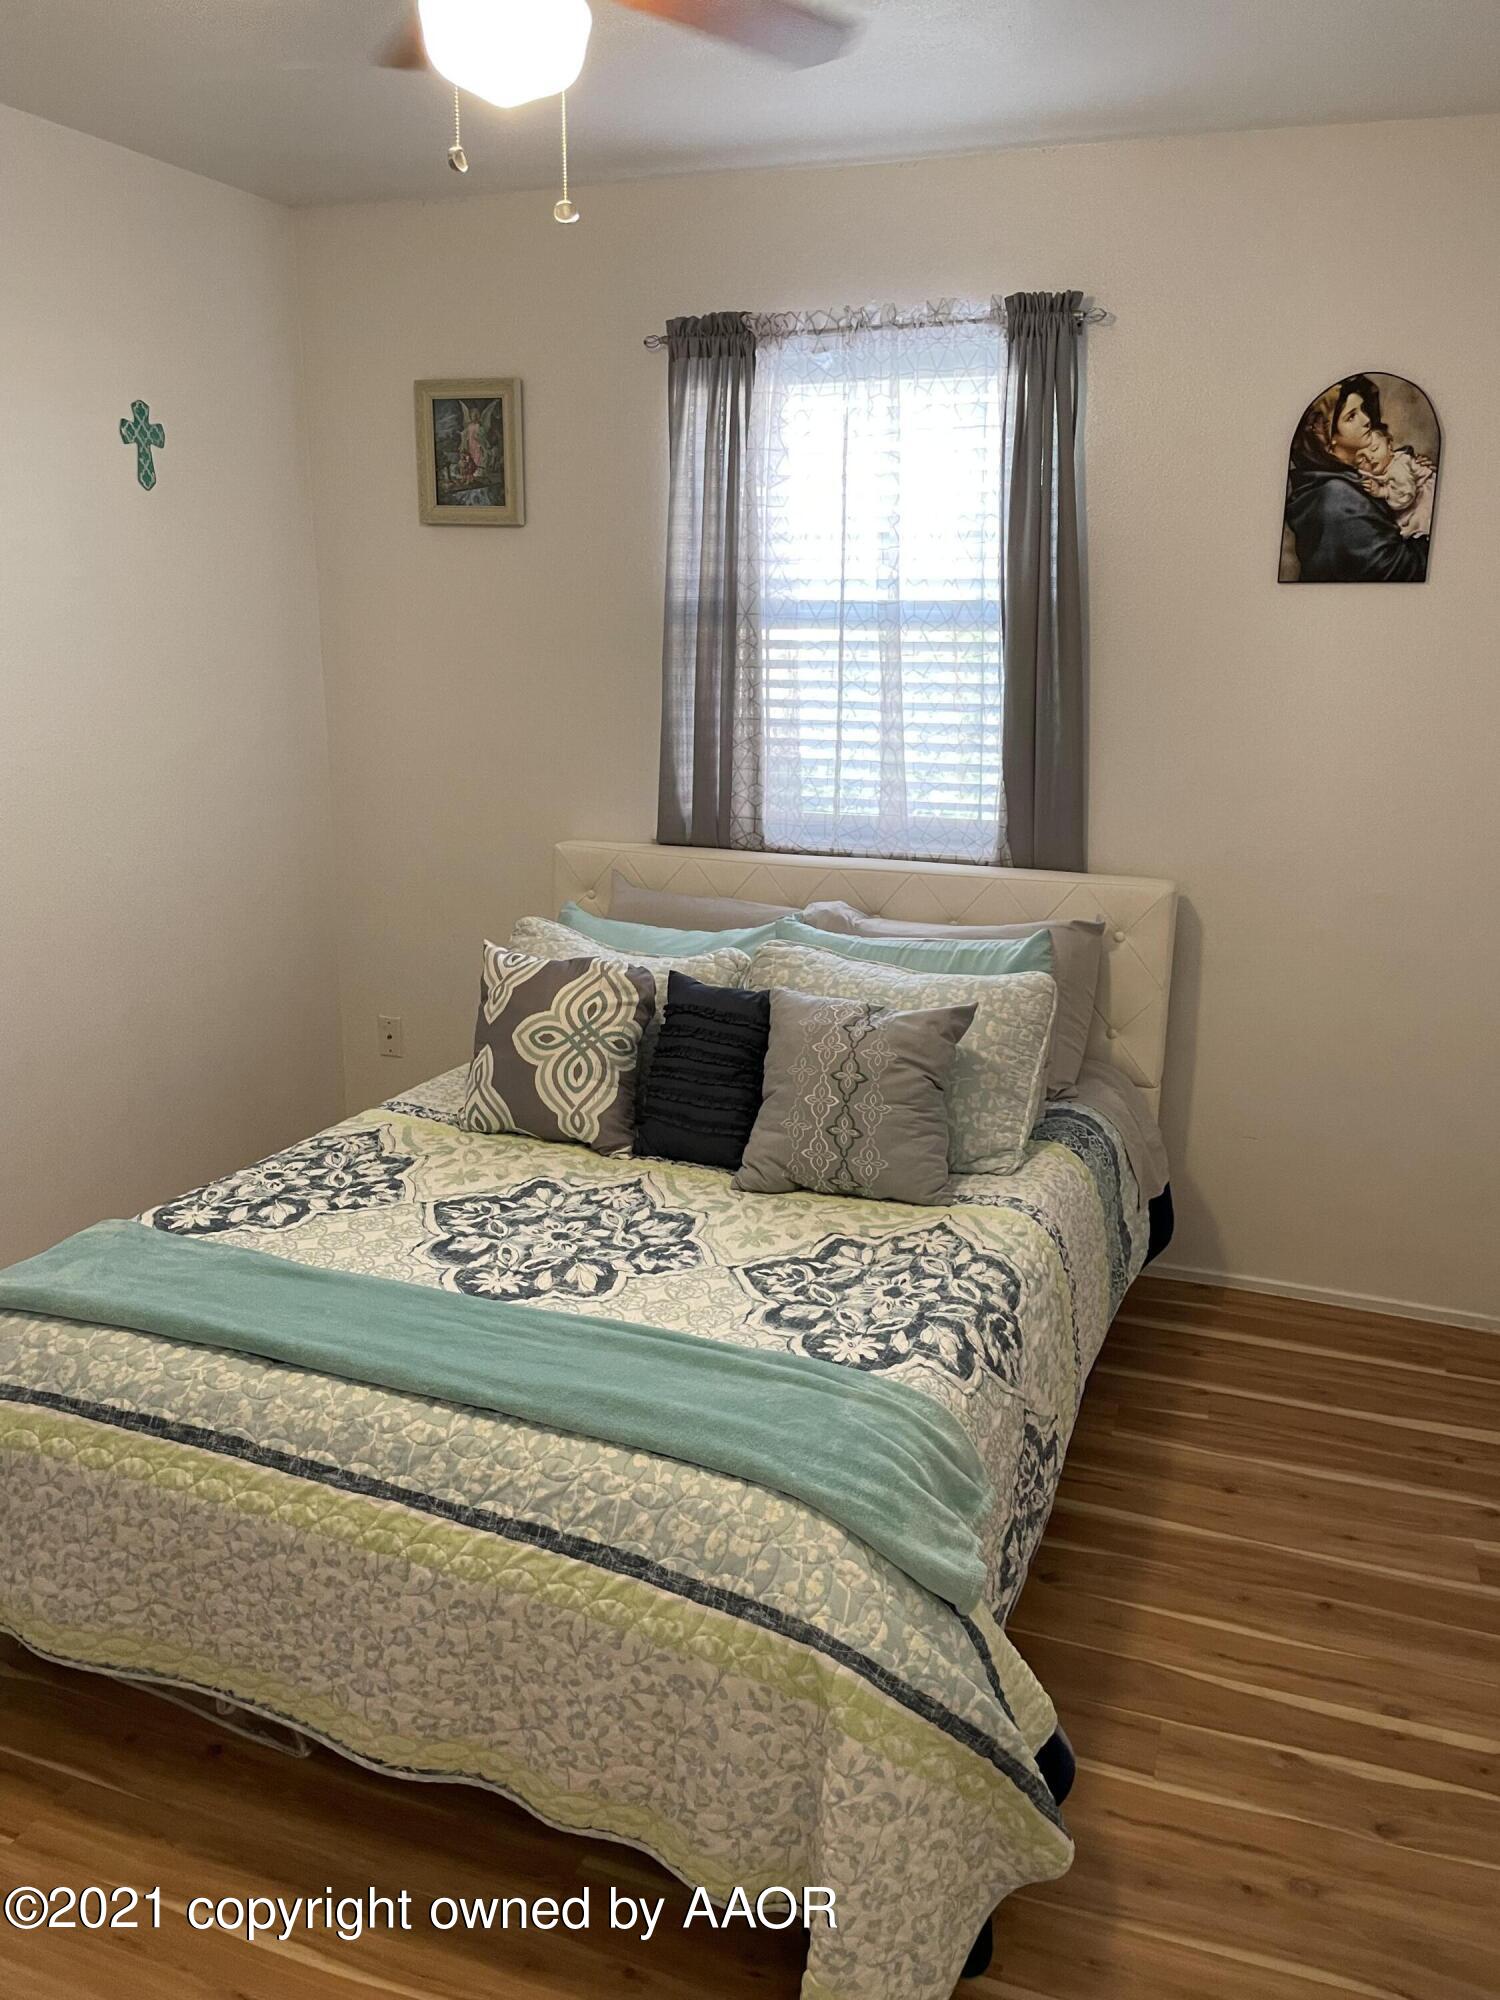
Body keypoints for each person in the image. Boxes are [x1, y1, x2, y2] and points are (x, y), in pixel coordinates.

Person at [1282, 375, 1429, 581]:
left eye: (1362, 410)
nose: (1366, 420)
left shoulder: (1348, 475)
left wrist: (1411, 470)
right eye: (1351, 416)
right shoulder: (1337, 496)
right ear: (1327, 436)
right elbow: (1395, 569)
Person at [1356, 423, 1437, 540]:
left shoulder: (1398, 466)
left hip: (1423, 497)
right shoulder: (1379, 469)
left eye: (1374, 449)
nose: (1369, 458)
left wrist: (1382, 492)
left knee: (1419, 520)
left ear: (1389, 446)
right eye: (1361, 460)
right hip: (1409, 503)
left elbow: (1406, 494)